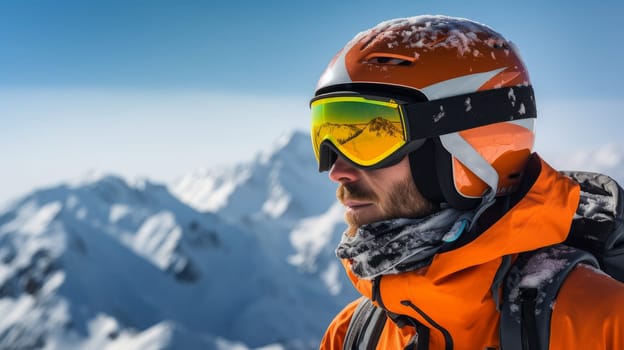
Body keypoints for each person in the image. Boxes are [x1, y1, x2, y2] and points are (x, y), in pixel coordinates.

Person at [309, 15, 624, 349]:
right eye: (326, 134)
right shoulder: (352, 335)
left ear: (470, 145)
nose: (337, 169)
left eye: (373, 135)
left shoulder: (601, 323)